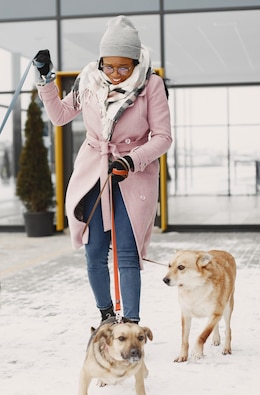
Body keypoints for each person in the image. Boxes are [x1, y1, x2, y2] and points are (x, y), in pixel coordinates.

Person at [33, 15, 172, 325]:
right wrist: (46, 81)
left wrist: (132, 160)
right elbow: (60, 116)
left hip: (132, 174)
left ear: (136, 62)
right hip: (94, 170)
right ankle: (107, 317)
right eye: (109, 66)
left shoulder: (151, 85)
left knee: (126, 251)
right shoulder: (90, 80)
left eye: (124, 67)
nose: (116, 74)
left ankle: (132, 323)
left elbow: (163, 138)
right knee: (94, 251)